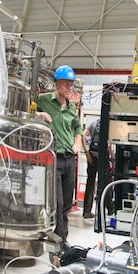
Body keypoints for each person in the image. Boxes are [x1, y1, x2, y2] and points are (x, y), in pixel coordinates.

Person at [35, 65, 85, 248]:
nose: (69, 87)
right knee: (56, 202)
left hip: (69, 159)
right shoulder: (44, 100)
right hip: (53, 158)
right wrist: (39, 114)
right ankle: (58, 241)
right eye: (66, 84)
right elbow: (26, 109)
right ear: (56, 84)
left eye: (71, 84)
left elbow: (78, 127)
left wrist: (78, 140)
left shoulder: (72, 108)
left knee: (66, 206)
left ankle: (62, 240)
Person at [82, 120, 113, 220]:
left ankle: (87, 211)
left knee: (90, 183)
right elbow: (109, 145)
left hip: (92, 155)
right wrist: (113, 157)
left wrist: (86, 152)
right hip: (103, 157)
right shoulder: (109, 124)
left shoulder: (94, 123)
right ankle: (110, 208)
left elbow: (83, 135)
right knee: (106, 182)